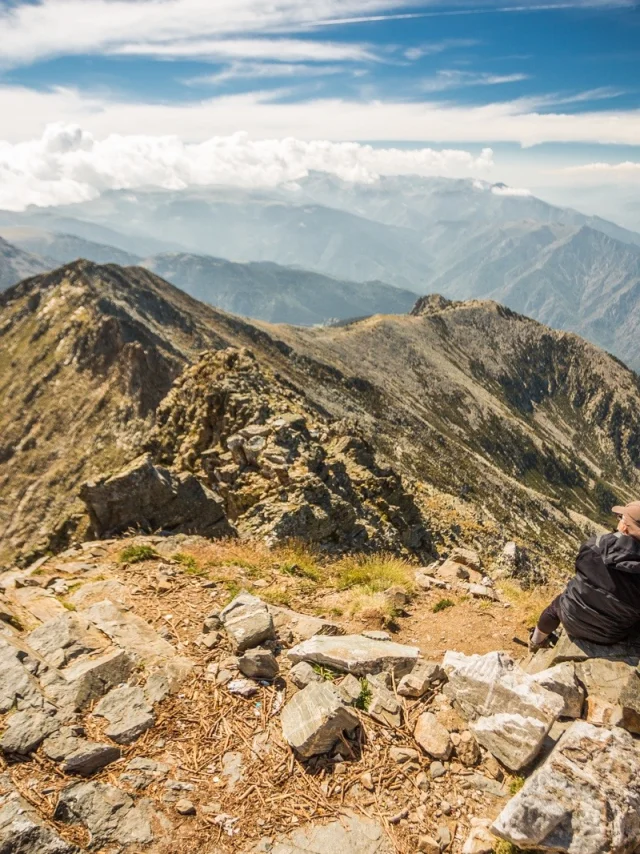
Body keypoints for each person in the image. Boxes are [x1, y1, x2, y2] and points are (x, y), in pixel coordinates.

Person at [530, 502, 640, 651]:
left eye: (621, 518)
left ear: (624, 527)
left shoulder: (595, 545)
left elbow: (579, 569)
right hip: (611, 635)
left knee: (556, 606)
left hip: (571, 618)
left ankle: (536, 643)